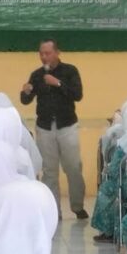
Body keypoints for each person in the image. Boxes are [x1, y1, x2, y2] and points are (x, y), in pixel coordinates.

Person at [20, 38, 87, 220]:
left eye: (47, 53)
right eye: (41, 53)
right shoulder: (36, 75)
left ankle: (78, 206)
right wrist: (26, 92)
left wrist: (57, 83)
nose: (44, 57)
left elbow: (77, 95)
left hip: (67, 126)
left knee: (73, 168)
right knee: (49, 171)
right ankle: (54, 211)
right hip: (44, 128)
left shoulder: (70, 71)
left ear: (57, 53)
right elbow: (26, 100)